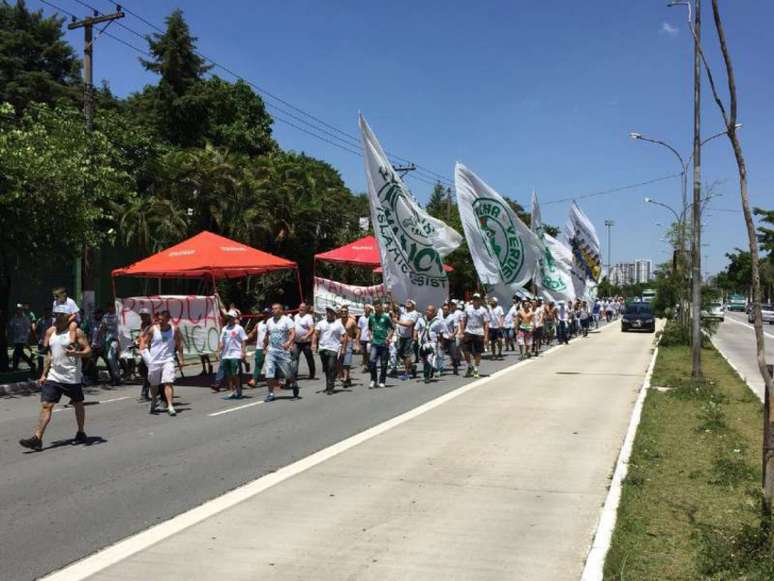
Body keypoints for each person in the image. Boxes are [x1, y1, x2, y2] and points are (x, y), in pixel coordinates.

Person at [19, 304, 91, 450]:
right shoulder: (51, 332)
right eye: (54, 315)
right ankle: (37, 438)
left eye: (59, 315)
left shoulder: (77, 332)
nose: (55, 318)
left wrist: (76, 354)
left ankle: (81, 431)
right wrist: (44, 373)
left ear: (67, 317)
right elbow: (50, 354)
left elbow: (88, 351)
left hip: (72, 376)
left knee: (78, 404)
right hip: (54, 376)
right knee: (47, 405)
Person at [140, 310, 184, 416]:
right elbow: (143, 343)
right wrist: (147, 357)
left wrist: (181, 359)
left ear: (168, 319)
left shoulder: (174, 329)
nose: (159, 321)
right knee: (154, 384)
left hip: (168, 360)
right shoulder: (153, 329)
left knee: (168, 382)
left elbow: (179, 344)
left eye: (162, 320)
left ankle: (170, 405)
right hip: (154, 361)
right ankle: (154, 399)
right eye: (158, 319)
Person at [263, 303, 296, 402]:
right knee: (269, 372)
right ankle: (271, 393)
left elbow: (293, 333)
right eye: (272, 309)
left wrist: (289, 343)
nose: (273, 310)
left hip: (283, 352)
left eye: (276, 309)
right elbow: (267, 335)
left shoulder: (287, 320)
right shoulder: (269, 321)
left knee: (288, 374)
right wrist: (265, 347)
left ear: (281, 310)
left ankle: (294, 384)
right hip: (271, 351)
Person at [313, 306, 346, 394]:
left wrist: (343, 347)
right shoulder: (321, 323)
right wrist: (313, 344)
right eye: (327, 312)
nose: (329, 314)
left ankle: (331, 387)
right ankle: (328, 385)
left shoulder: (338, 324)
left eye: (331, 312)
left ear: (334, 314)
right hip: (323, 348)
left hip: (334, 348)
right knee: (326, 368)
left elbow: (344, 335)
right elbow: (315, 334)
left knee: (331, 366)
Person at [219, 309, 248, 399]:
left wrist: (243, 352)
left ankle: (239, 391)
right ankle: (232, 392)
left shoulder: (239, 328)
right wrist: (218, 351)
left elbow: (243, 340)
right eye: (228, 317)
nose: (229, 318)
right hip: (225, 354)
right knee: (228, 375)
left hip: (235, 354)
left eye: (231, 317)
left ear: (234, 318)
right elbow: (221, 341)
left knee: (235, 374)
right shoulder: (224, 328)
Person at [415, 304, 447, 383]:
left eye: (430, 311)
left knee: (429, 359)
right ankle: (431, 369)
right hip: (422, 343)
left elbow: (441, 333)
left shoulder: (438, 321)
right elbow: (416, 329)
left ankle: (426, 377)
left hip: (432, 343)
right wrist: (414, 337)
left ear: (434, 313)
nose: (428, 312)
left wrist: (442, 343)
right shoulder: (421, 319)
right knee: (423, 359)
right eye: (427, 310)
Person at [460, 293, 488, 378]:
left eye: (477, 299)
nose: (476, 300)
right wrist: (461, 332)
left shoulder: (483, 310)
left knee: (478, 352)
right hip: (469, 331)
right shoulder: (468, 308)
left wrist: (486, 336)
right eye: (474, 299)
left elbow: (486, 323)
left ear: (480, 300)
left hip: (479, 332)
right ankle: (469, 366)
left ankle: (475, 368)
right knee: (465, 349)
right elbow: (463, 321)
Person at [290, 303, 316, 392]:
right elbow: (292, 329)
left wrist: (306, 336)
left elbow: (312, 329)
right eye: (300, 307)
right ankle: (294, 375)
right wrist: (291, 341)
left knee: (309, 358)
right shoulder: (295, 316)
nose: (301, 309)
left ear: (306, 309)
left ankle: (312, 373)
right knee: (294, 358)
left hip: (306, 342)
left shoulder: (308, 317)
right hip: (297, 342)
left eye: (303, 308)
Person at [368, 302, 394, 388]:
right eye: (375, 307)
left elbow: (392, 328)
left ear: (381, 307)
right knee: (372, 361)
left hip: (384, 343)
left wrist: (388, 338)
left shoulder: (386, 317)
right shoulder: (371, 317)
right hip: (375, 343)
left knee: (384, 364)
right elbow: (370, 328)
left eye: (378, 307)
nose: (376, 309)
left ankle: (382, 381)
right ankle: (373, 380)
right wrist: (370, 335)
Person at [396, 299, 420, 380]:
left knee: (407, 355)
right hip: (401, 337)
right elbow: (394, 306)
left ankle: (407, 373)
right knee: (400, 354)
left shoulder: (415, 313)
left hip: (409, 337)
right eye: (406, 302)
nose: (407, 303)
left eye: (409, 302)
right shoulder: (403, 311)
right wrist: (389, 295)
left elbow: (409, 324)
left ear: (413, 305)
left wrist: (397, 321)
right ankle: (412, 367)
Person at [246, 308, 269, 387]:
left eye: (267, 313)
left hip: (271, 347)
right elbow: (252, 333)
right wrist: (244, 339)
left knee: (274, 364)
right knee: (258, 364)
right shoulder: (259, 324)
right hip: (260, 347)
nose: (266, 315)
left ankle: (280, 379)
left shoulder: (273, 323)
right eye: (264, 313)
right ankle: (254, 380)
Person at [9, 304, 34, 372]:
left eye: (19, 309)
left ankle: (15, 367)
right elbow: (11, 325)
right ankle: (31, 364)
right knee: (20, 353)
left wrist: (26, 338)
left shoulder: (25, 318)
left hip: (22, 339)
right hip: (16, 339)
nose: (18, 311)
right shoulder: (15, 318)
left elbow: (28, 329)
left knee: (16, 353)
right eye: (17, 309)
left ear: (22, 310)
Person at [338, 305, 359, 387]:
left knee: (346, 362)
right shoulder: (337, 321)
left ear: (347, 313)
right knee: (339, 362)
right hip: (339, 344)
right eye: (342, 311)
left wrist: (357, 344)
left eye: (345, 311)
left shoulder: (352, 321)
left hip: (349, 343)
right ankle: (346, 377)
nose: (343, 313)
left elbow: (357, 332)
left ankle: (346, 378)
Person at [442, 302, 461, 375]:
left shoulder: (452, 317)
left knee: (453, 355)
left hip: (450, 338)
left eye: (446, 309)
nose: (445, 310)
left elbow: (456, 328)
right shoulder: (439, 317)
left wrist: (453, 335)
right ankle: (438, 369)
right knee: (439, 354)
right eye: (444, 309)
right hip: (442, 338)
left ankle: (455, 367)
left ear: (449, 310)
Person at [33, 307, 55, 372]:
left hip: (51, 341)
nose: (47, 313)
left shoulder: (53, 320)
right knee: (40, 356)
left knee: (51, 355)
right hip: (42, 341)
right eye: (46, 312)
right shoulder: (40, 320)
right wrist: (38, 338)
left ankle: (50, 369)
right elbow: (36, 330)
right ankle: (40, 369)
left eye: (49, 312)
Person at [358, 304, 373, 371]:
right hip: (363, 338)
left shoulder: (373, 317)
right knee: (364, 353)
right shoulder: (361, 318)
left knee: (369, 352)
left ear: (370, 310)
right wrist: (357, 338)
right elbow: (359, 328)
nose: (366, 309)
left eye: (368, 308)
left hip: (370, 338)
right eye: (365, 308)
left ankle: (367, 366)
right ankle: (366, 365)